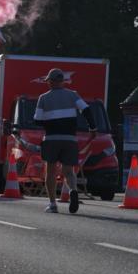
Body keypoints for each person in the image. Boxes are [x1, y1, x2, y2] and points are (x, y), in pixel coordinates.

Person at [34, 68, 96, 214]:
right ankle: (73, 190)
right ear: (62, 81)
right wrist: (92, 128)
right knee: (68, 171)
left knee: (50, 171)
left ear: (50, 82)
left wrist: (50, 122)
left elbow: (37, 120)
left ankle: (52, 204)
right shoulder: (73, 95)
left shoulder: (43, 98)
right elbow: (86, 110)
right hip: (70, 139)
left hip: (51, 139)